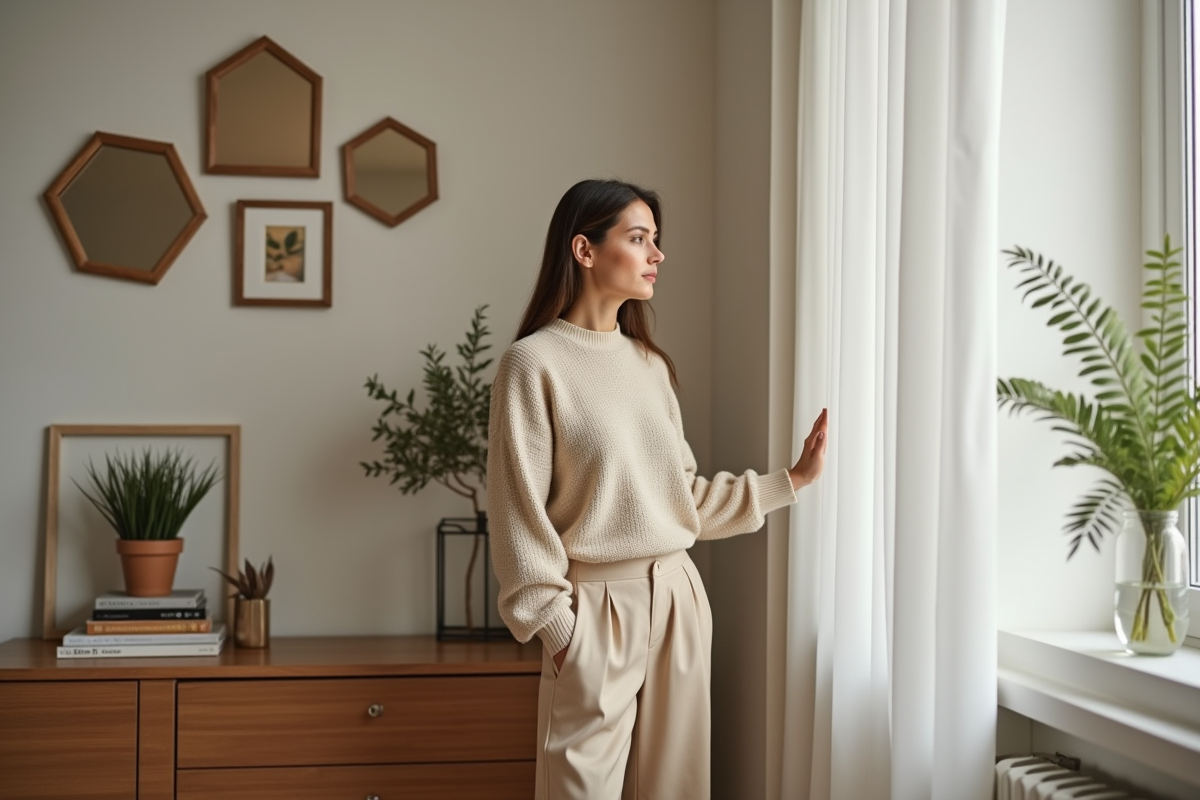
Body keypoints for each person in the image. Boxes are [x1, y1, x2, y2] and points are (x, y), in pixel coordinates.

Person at [487, 178, 828, 800]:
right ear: (584, 250)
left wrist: (792, 481)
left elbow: (680, 500)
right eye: (639, 239)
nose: (657, 255)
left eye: (655, 240)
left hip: (678, 597)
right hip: (594, 611)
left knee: (676, 789)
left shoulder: (650, 365)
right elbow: (517, 516)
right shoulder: (532, 364)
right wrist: (560, 632)